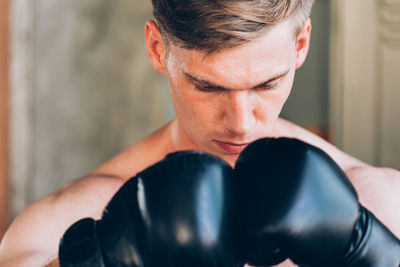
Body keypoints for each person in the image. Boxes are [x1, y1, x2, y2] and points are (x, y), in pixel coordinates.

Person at [0, 0, 399, 266]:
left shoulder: (381, 202)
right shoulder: (67, 224)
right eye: (208, 86)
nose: (241, 123)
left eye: (267, 84)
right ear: (158, 49)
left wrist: (372, 253)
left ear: (301, 45)